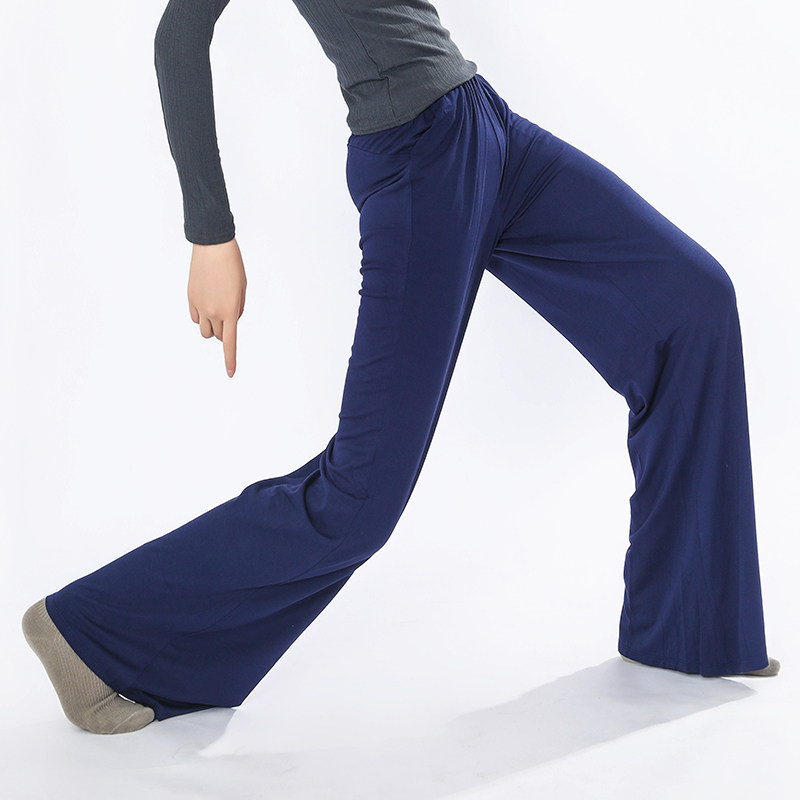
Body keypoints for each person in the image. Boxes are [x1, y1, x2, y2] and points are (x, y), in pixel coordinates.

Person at [22, 0, 779, 736]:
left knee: (692, 306)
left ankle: (687, 628)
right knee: (359, 498)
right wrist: (210, 234)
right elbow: (178, 35)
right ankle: (90, 635)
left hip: (487, 127)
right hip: (419, 160)